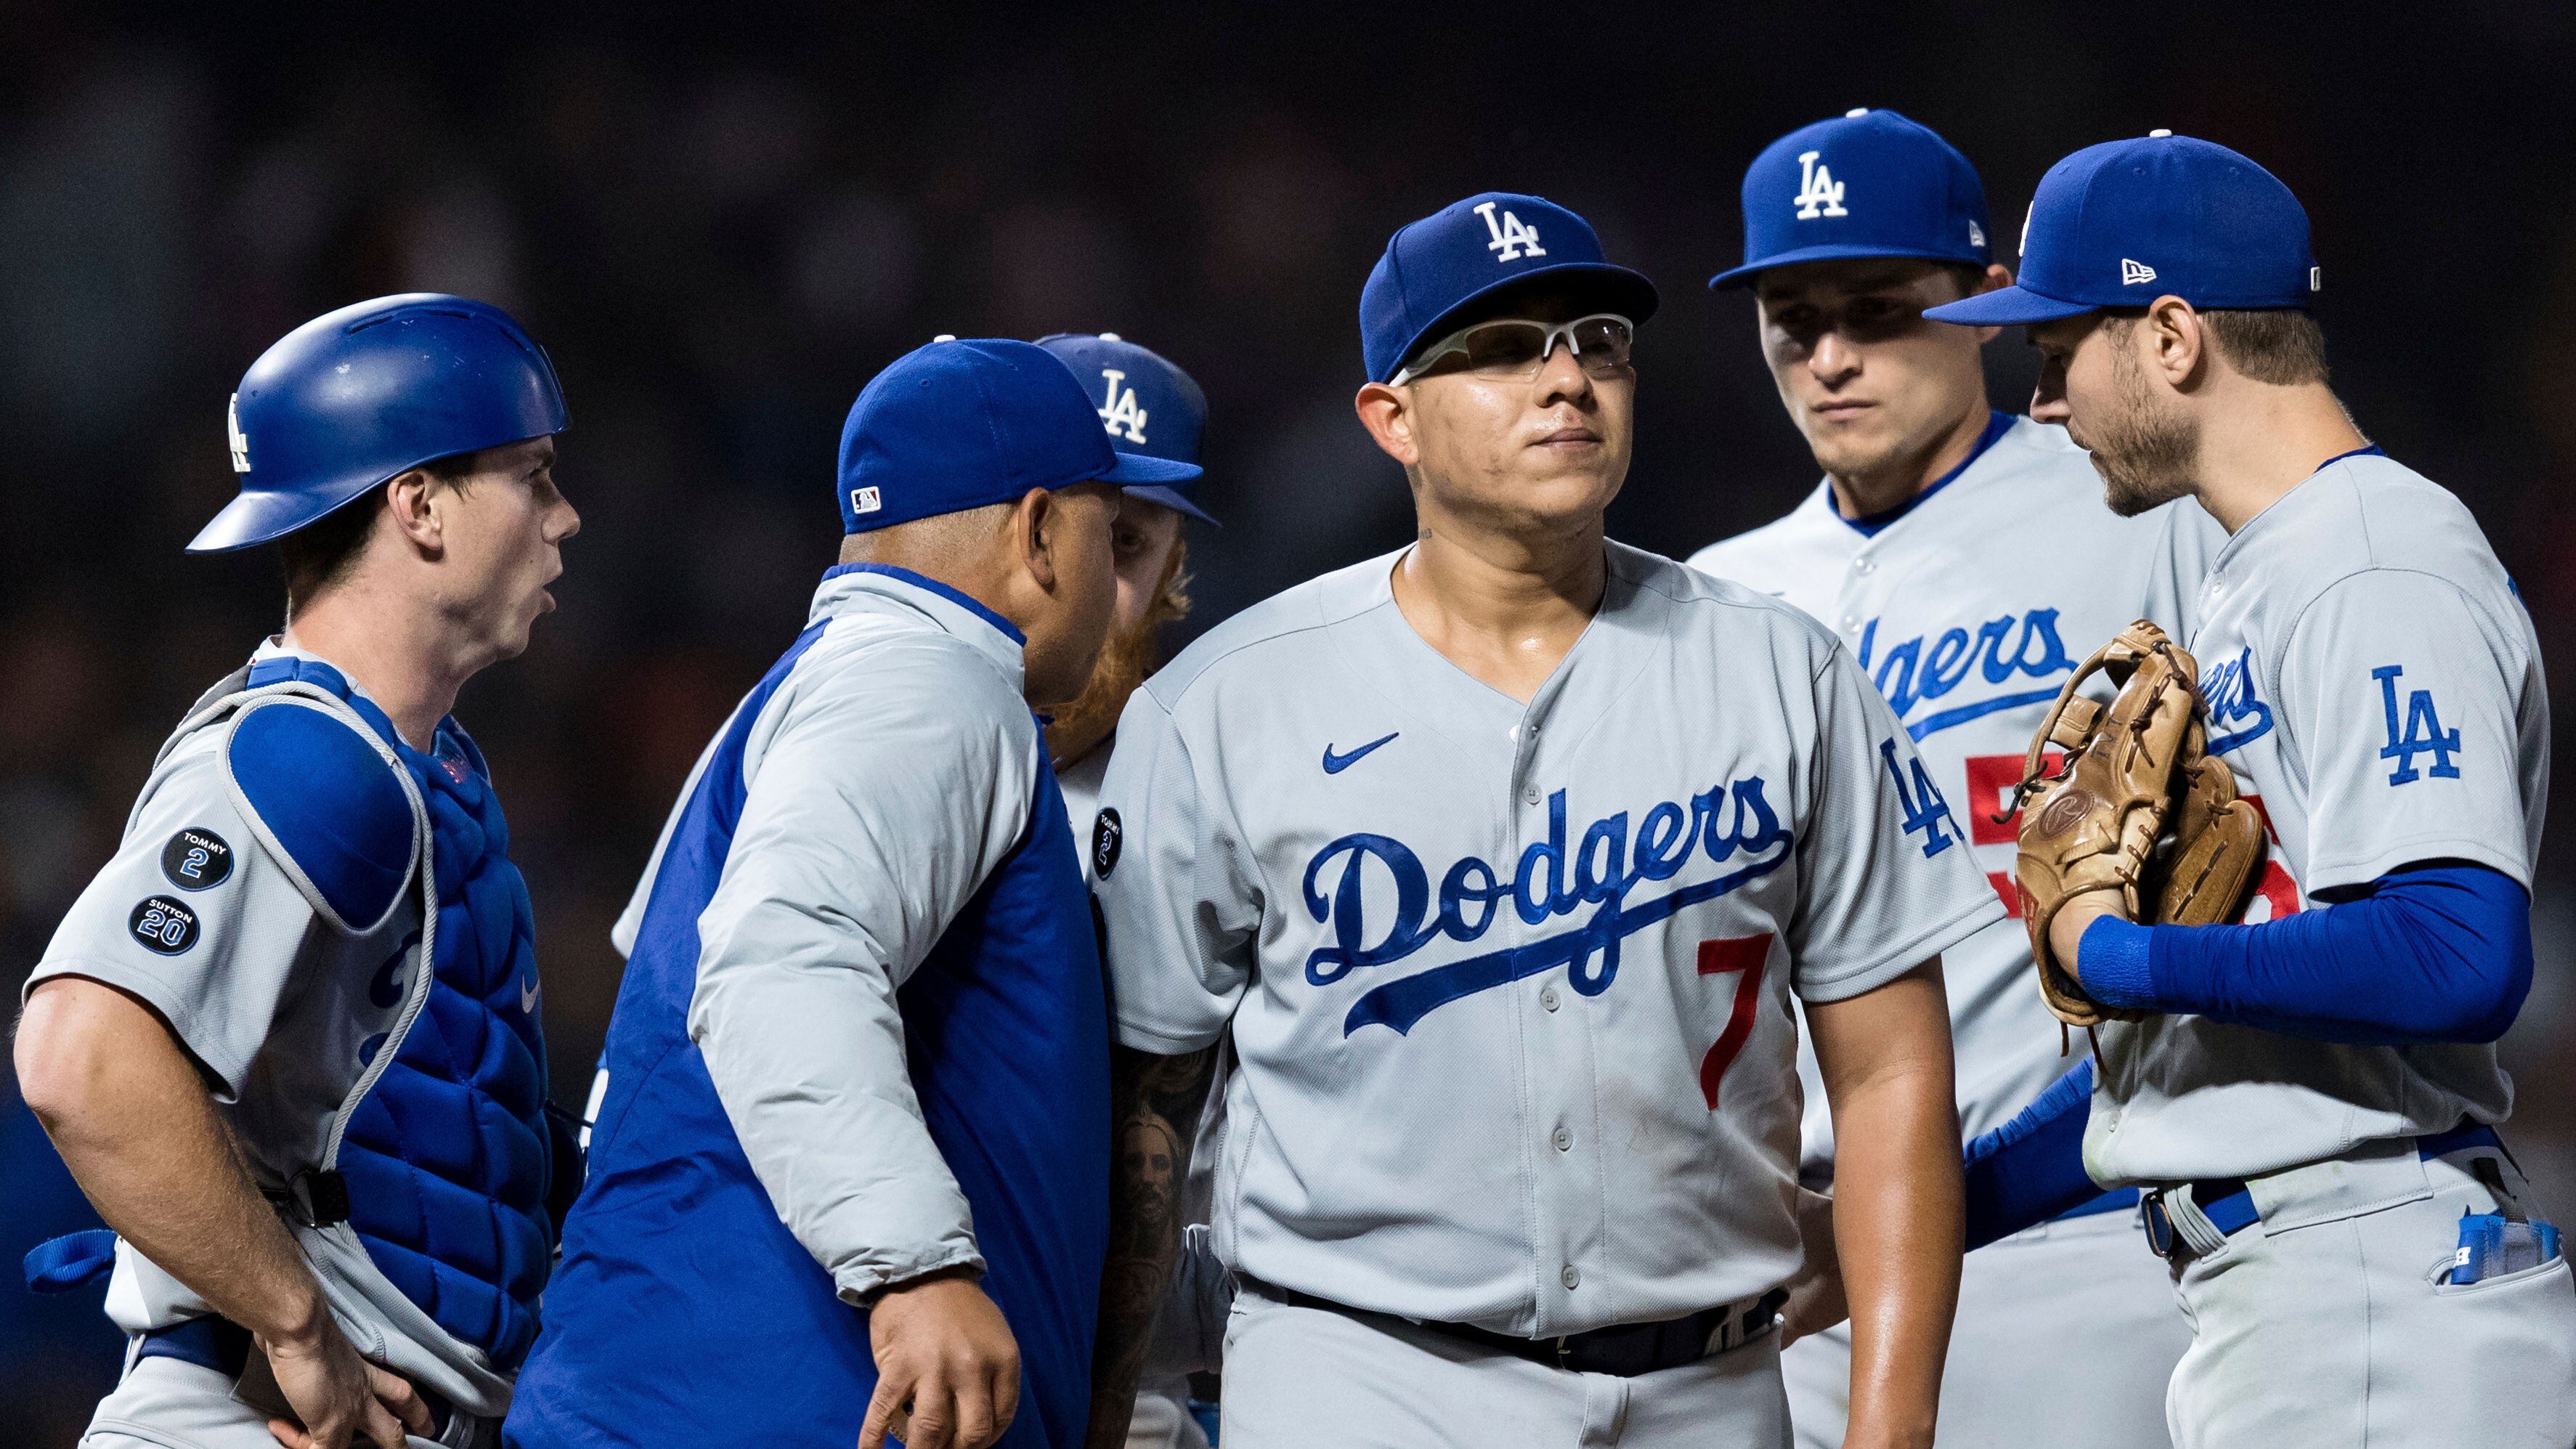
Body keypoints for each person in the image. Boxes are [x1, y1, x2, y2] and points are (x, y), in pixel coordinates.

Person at [1083, 192, 2004, 1449]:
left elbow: (1892, 1064)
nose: (1566, 377)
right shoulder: (1229, 705)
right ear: (1389, 418)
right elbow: (1147, 1104)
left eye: (1596, 342)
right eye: (1502, 346)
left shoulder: (1783, 671)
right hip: (1365, 1374)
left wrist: (1890, 1427)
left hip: (1716, 1382)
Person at [1924, 133, 2576, 1448]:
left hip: (2368, 1280)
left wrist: (2115, 950)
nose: (2042, 406)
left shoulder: (2371, 561)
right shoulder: (2260, 573)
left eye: (2057, 358)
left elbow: (2458, 951)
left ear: (2170, 338)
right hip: (2300, 1281)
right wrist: (1916, 1221)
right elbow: (2185, 1062)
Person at [505, 338, 1198, 1449]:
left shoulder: (811, 687)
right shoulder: (926, 680)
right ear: (1034, 531)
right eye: (1097, 527)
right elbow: (780, 959)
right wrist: (913, 1261)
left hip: (694, 1391)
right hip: (775, 1401)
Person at [1688, 108, 2209, 1449]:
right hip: (1794, 1268)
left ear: (1984, 302)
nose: (1831, 355)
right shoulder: (1716, 597)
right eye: (1789, 319)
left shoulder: (2131, 514)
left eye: (1875, 306)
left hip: (2082, 1236)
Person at [14, 293, 583, 1449]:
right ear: (417, 504)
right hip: (240, 1413)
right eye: (531, 476)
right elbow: (77, 1053)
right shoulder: (305, 755)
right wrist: (297, 1324)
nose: (564, 519)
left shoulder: (428, 762)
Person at [1031, 332, 1219, 871]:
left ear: (1171, 568)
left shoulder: (1206, 809)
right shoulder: (886, 730)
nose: (1089, 582)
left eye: (1125, 542)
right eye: (1056, 529)